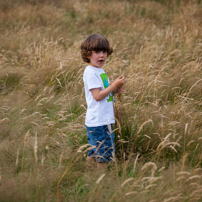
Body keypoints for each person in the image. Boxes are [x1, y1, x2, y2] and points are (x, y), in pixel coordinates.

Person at [81, 34, 125, 170]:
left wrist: (115, 90)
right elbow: (97, 96)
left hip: (103, 119)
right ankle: (101, 181)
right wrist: (114, 85)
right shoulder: (90, 72)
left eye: (104, 52)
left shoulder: (99, 71)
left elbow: (104, 92)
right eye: (97, 52)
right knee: (103, 154)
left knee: (95, 150)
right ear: (88, 55)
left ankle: (87, 172)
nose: (101, 55)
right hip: (98, 121)